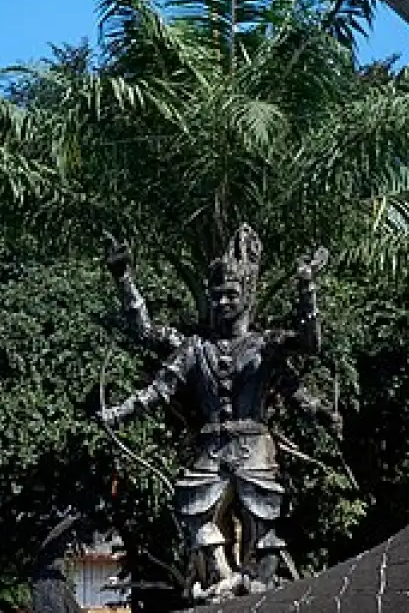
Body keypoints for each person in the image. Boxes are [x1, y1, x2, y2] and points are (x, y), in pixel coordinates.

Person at [97, 227, 326, 599]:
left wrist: (306, 288)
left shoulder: (265, 345)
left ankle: (261, 585)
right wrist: (124, 279)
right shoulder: (194, 348)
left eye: (231, 295)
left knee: (263, 517)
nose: (222, 304)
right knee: (193, 509)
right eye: (216, 296)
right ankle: (220, 576)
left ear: (248, 296)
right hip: (210, 449)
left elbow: (309, 343)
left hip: (254, 447)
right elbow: (152, 359)